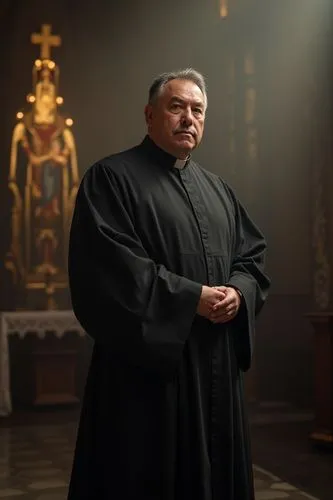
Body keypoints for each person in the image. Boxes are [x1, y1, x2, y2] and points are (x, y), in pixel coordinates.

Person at [67, 68, 270, 500]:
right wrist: (190, 298)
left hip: (215, 364)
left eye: (197, 110)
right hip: (149, 374)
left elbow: (251, 259)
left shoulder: (219, 190)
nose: (188, 118)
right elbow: (109, 271)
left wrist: (238, 291)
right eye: (176, 107)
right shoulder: (111, 179)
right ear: (149, 114)